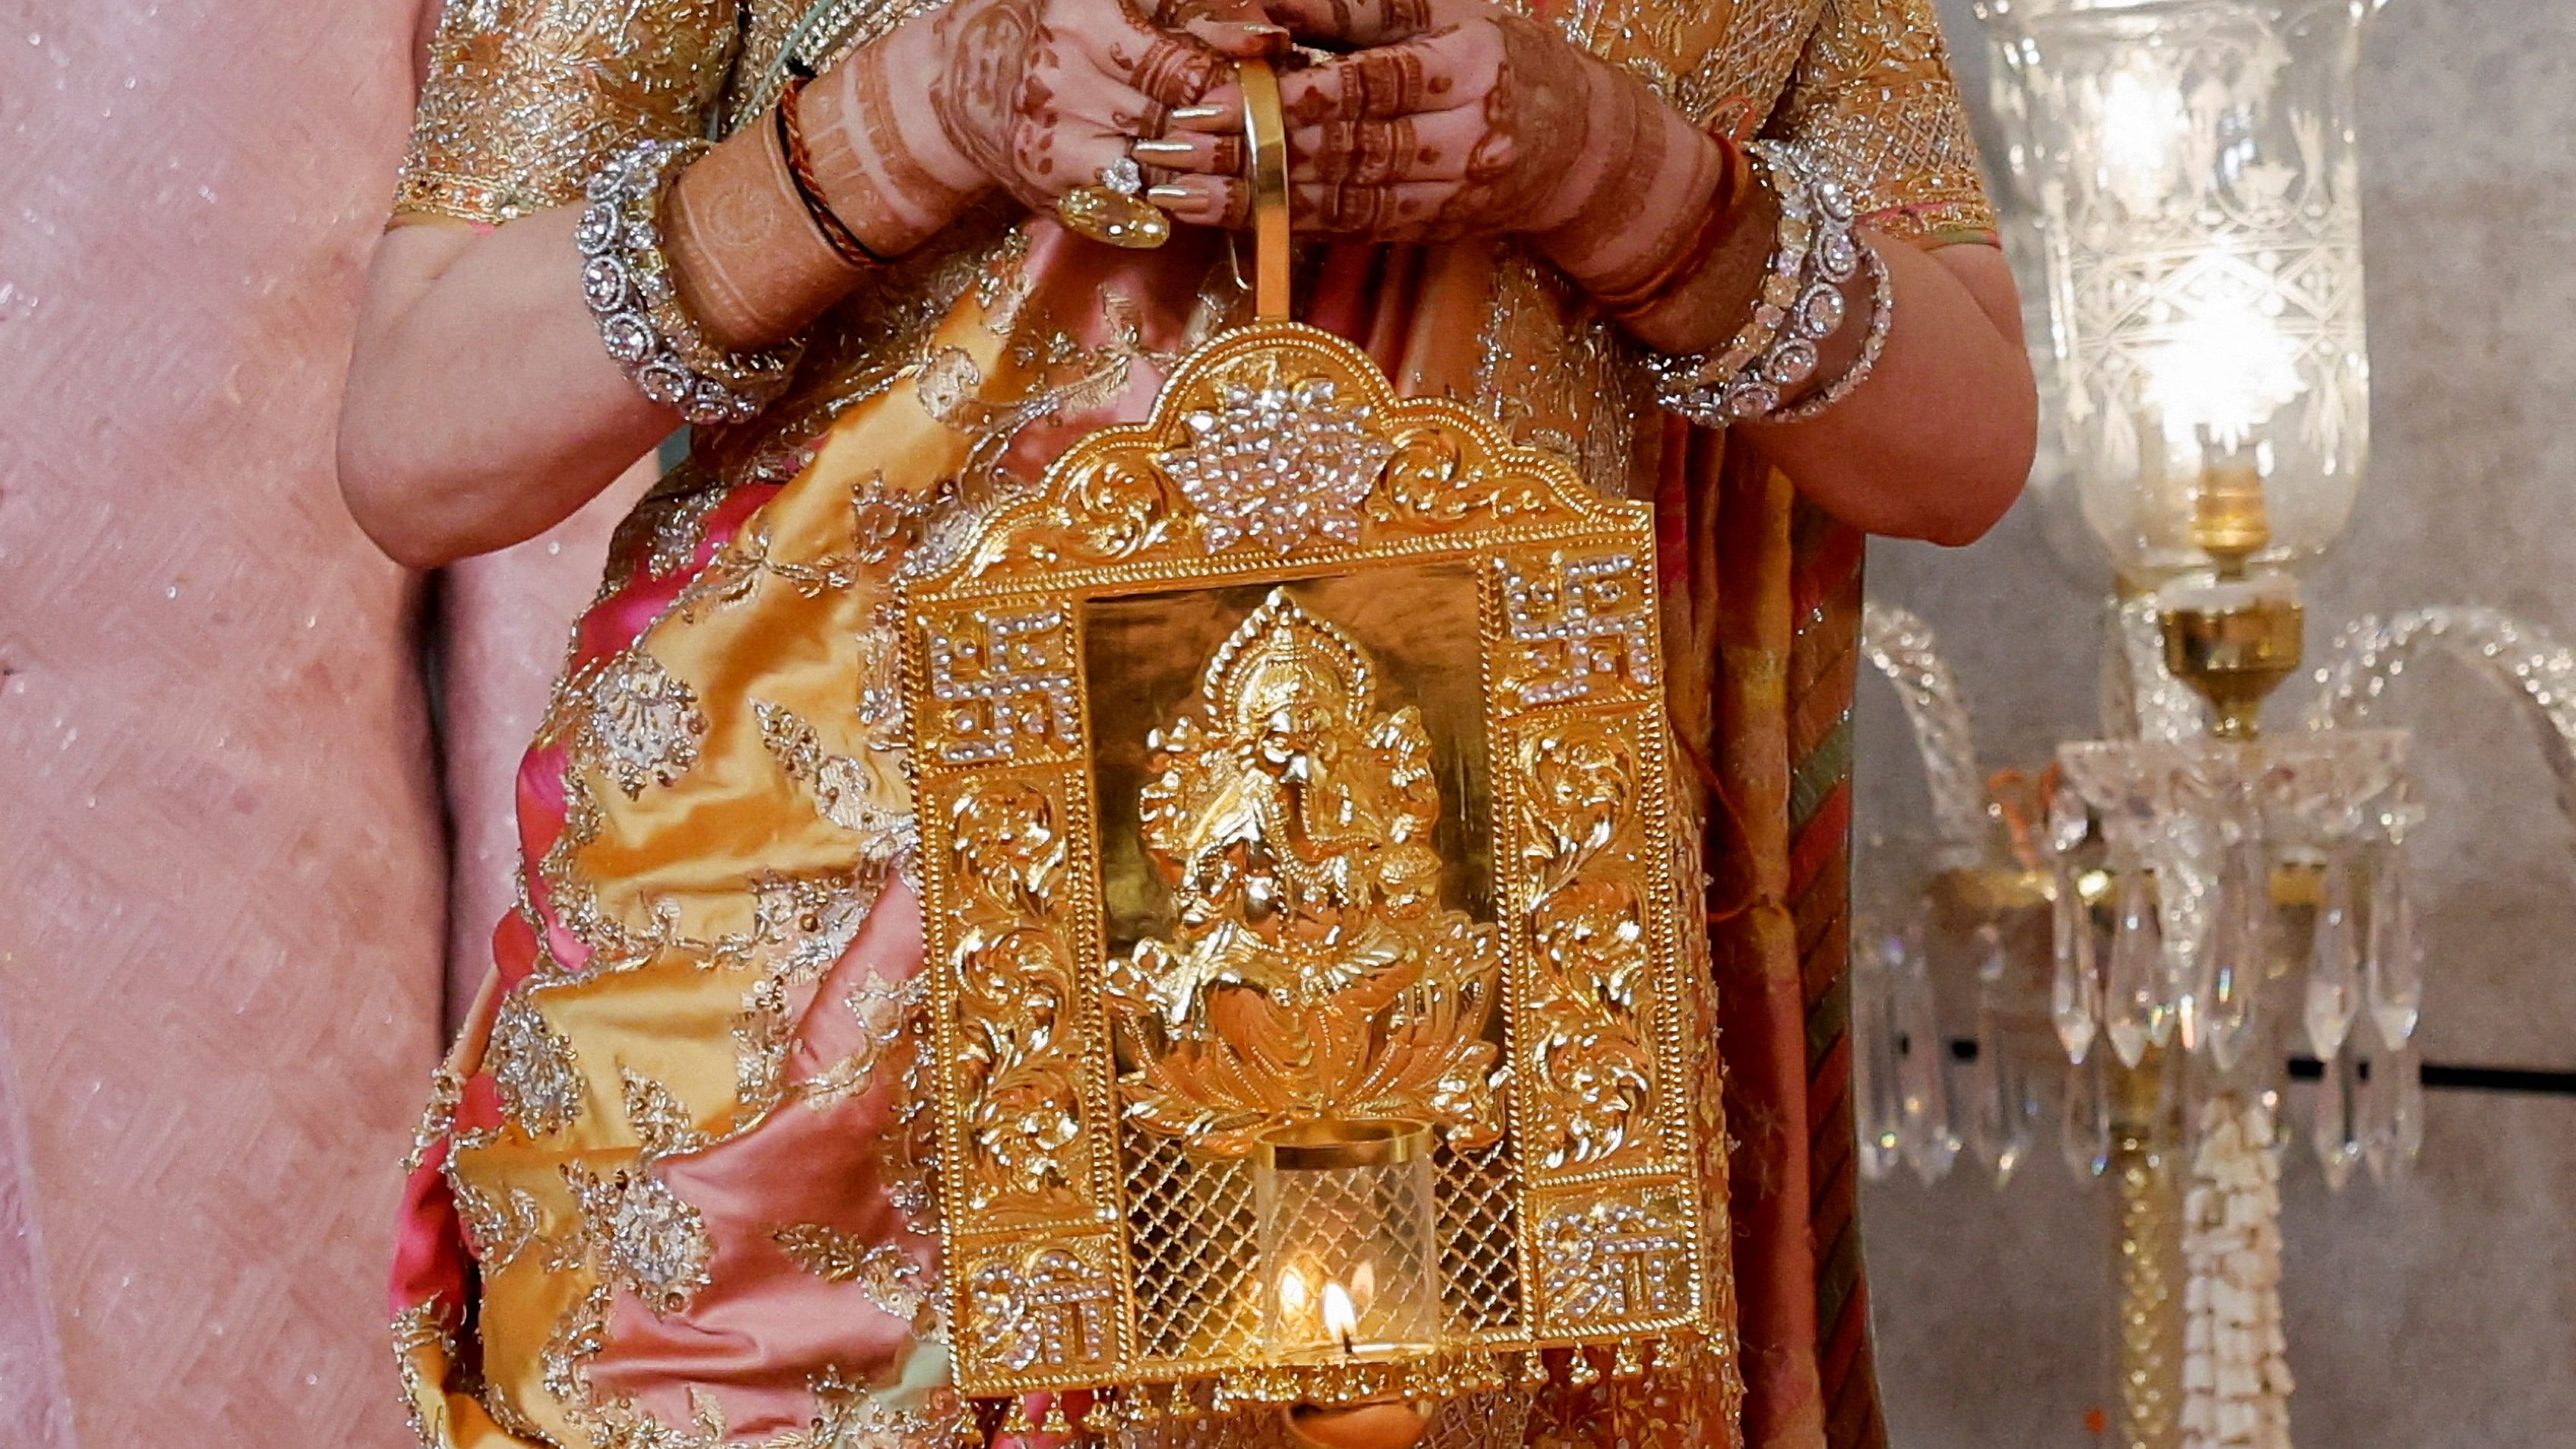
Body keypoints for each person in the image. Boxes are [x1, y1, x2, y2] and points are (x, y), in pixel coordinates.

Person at [349, 0, 2035, 1444]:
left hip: (1456, 1067)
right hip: (804, 1097)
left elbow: (1960, 436)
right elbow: (425, 426)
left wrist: (1621, 172)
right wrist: (910, 115)